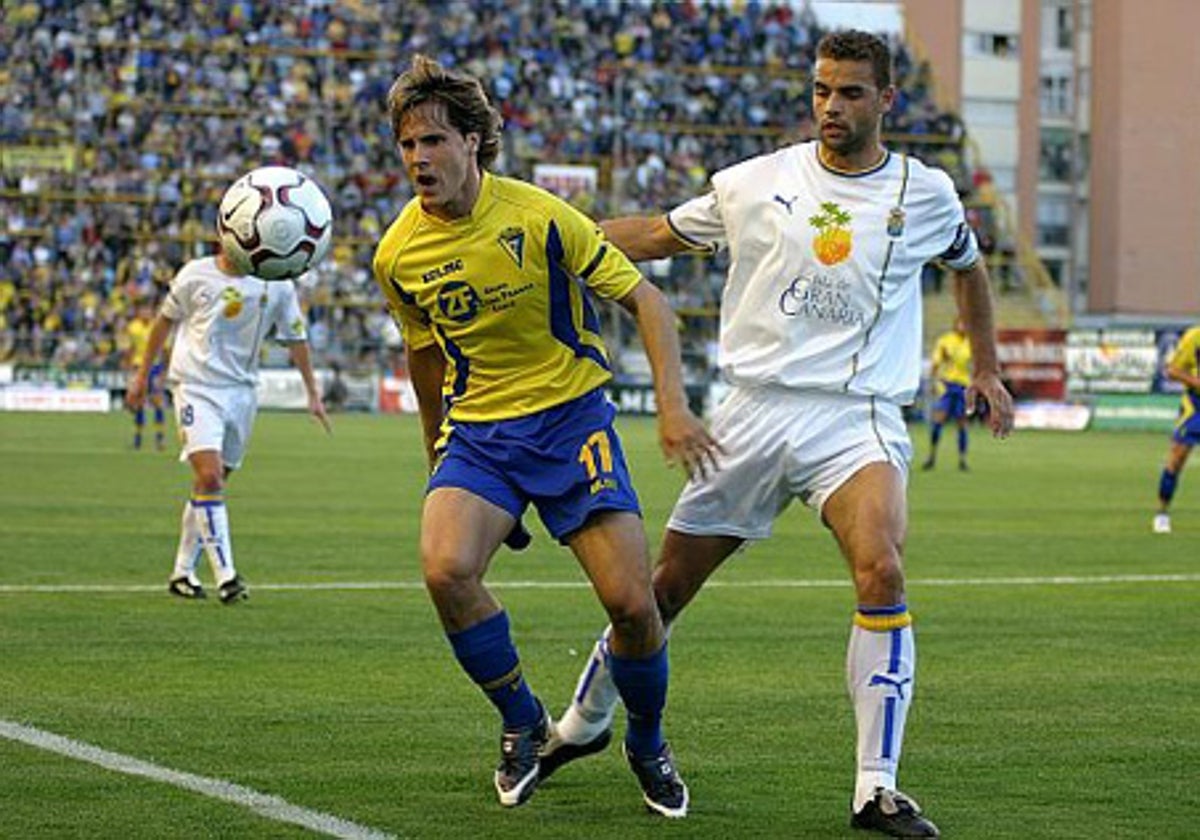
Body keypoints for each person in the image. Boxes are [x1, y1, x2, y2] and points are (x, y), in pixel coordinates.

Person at [542, 30, 1014, 839]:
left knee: (883, 569)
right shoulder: (755, 183)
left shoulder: (925, 194)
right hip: (753, 411)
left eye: (853, 92)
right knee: (661, 592)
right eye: (824, 90)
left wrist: (986, 369)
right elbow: (656, 234)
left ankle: (877, 790)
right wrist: (541, 241)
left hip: (857, 414)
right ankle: (582, 720)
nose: (833, 106)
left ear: (887, 101)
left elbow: (968, 267)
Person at [372, 54, 718, 816]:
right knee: (444, 570)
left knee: (632, 605)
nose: (418, 159)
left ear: (471, 141)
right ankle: (523, 722)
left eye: (432, 142)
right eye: (406, 146)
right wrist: (437, 448)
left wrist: (671, 407)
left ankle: (646, 740)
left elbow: (649, 303)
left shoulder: (540, 216)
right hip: (482, 438)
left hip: (571, 425)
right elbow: (423, 352)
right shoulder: (396, 254)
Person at [125, 242, 331, 604]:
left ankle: (182, 572)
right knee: (210, 476)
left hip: (242, 393)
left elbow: (296, 338)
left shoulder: (277, 284)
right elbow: (163, 323)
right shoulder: (195, 274)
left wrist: (312, 393)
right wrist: (142, 375)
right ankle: (227, 577)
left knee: (211, 484)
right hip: (195, 386)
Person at [1153, 323, 1200, 534]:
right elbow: (1172, 370)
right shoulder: (1194, 337)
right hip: (1196, 407)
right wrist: (1196, 382)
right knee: (1176, 459)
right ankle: (1162, 512)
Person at [922, 318, 972, 471]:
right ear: (955, 324)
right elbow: (936, 363)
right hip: (947, 386)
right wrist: (932, 382)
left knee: (962, 424)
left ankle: (962, 459)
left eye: (965, 323)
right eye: (960, 323)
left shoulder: (971, 343)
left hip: (963, 386)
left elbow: (973, 364)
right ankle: (932, 456)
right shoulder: (945, 341)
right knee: (938, 421)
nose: (963, 326)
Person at [123, 301, 167, 451]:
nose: (145, 313)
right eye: (143, 310)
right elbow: (130, 348)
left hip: (154, 367)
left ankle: (159, 439)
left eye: (148, 310)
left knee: (157, 401)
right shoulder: (133, 327)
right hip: (138, 366)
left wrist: (164, 371)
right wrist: (129, 370)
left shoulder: (157, 325)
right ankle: (137, 440)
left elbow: (165, 350)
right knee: (139, 402)